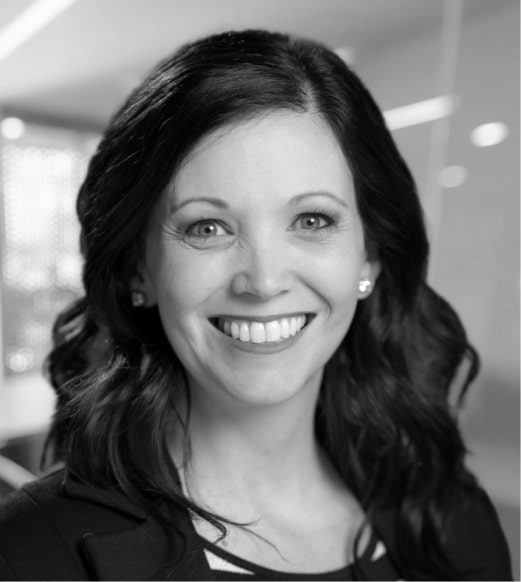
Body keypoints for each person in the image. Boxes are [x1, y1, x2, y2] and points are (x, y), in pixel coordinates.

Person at [0, 29, 512, 581]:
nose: (264, 281)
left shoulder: (453, 516)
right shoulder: (29, 554)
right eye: (208, 227)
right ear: (137, 271)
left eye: (312, 220)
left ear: (369, 259)